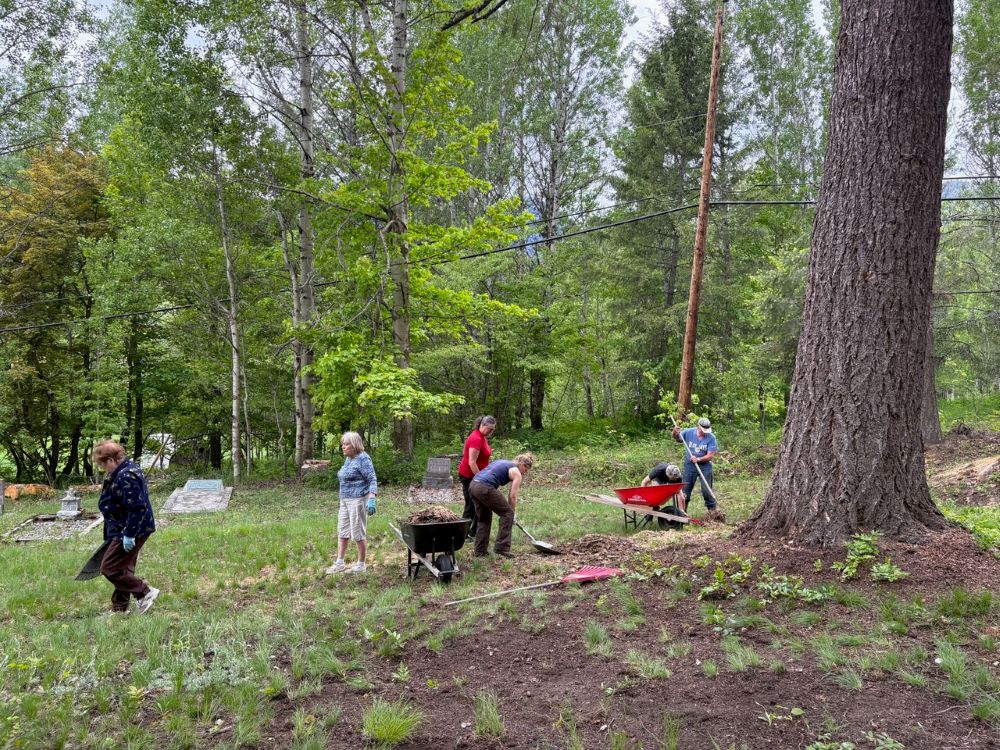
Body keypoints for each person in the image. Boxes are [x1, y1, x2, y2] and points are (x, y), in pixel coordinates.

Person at [94, 440, 159, 615]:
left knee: (110, 568)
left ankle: (145, 592)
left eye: (102, 464)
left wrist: (129, 535)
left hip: (131, 529)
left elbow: (137, 507)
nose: (103, 469)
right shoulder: (124, 470)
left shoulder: (126, 475)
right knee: (123, 568)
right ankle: (120, 609)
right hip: (122, 528)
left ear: (110, 460)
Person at [327, 431, 378, 575]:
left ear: (354, 445)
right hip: (344, 500)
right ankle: (340, 563)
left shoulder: (363, 458)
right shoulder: (349, 459)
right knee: (342, 531)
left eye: (346, 444)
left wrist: (372, 498)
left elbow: (372, 479)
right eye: (342, 444)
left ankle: (361, 564)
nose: (343, 446)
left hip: (358, 500)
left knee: (358, 533)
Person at [468, 453, 534, 559]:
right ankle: (502, 548)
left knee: (484, 519)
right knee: (507, 514)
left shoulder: (501, 462)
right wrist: (513, 514)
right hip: (484, 487)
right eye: (525, 470)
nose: (524, 473)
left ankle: (480, 551)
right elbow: (512, 496)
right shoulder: (517, 473)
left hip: (473, 486)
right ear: (522, 465)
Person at [458, 416, 496, 540]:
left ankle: (472, 532)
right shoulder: (476, 438)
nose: (491, 432)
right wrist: (481, 479)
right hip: (469, 476)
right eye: (490, 429)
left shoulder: (482, 437)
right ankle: (462, 534)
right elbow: (472, 462)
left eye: (493, 430)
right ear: (483, 425)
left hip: (477, 475)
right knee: (470, 506)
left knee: (478, 504)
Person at [671, 417, 718, 512]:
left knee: (707, 491)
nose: (705, 432)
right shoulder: (688, 432)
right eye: (703, 429)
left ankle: (713, 514)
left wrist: (699, 459)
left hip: (705, 466)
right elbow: (677, 438)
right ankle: (683, 514)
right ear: (698, 426)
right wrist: (675, 432)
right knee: (685, 491)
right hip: (690, 466)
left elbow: (710, 455)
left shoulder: (711, 438)